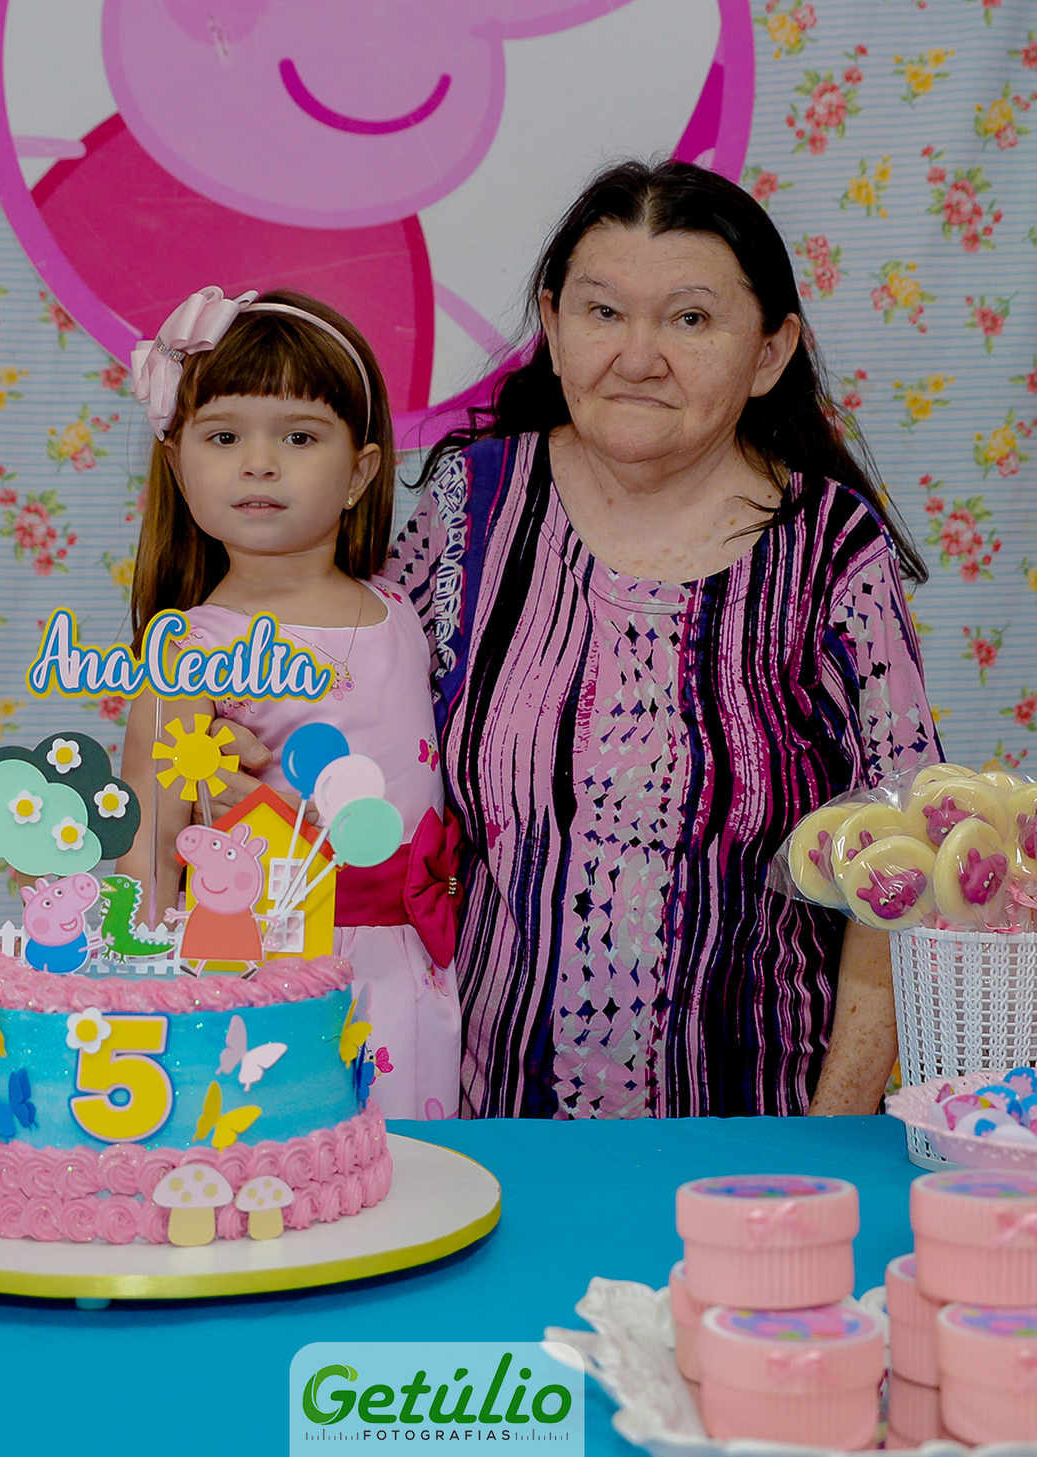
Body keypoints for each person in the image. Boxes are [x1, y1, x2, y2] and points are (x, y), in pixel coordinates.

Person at [381, 158, 939, 1120]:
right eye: (602, 312)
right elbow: (362, 746)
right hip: (485, 1136)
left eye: (689, 319)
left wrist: (832, 1135)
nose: (637, 357)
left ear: (769, 352)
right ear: (553, 327)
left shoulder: (831, 549)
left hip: (755, 1144)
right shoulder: (469, 507)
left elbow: (903, 863)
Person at [117, 286, 462, 1120]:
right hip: (263, 970)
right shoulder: (188, 652)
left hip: (411, 969)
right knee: (283, 1159)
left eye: (299, 437)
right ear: (178, 466)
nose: (259, 463)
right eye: (224, 436)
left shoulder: (403, 608)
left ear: (360, 472)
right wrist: (142, 1004)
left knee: (413, 1166)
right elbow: (148, 852)